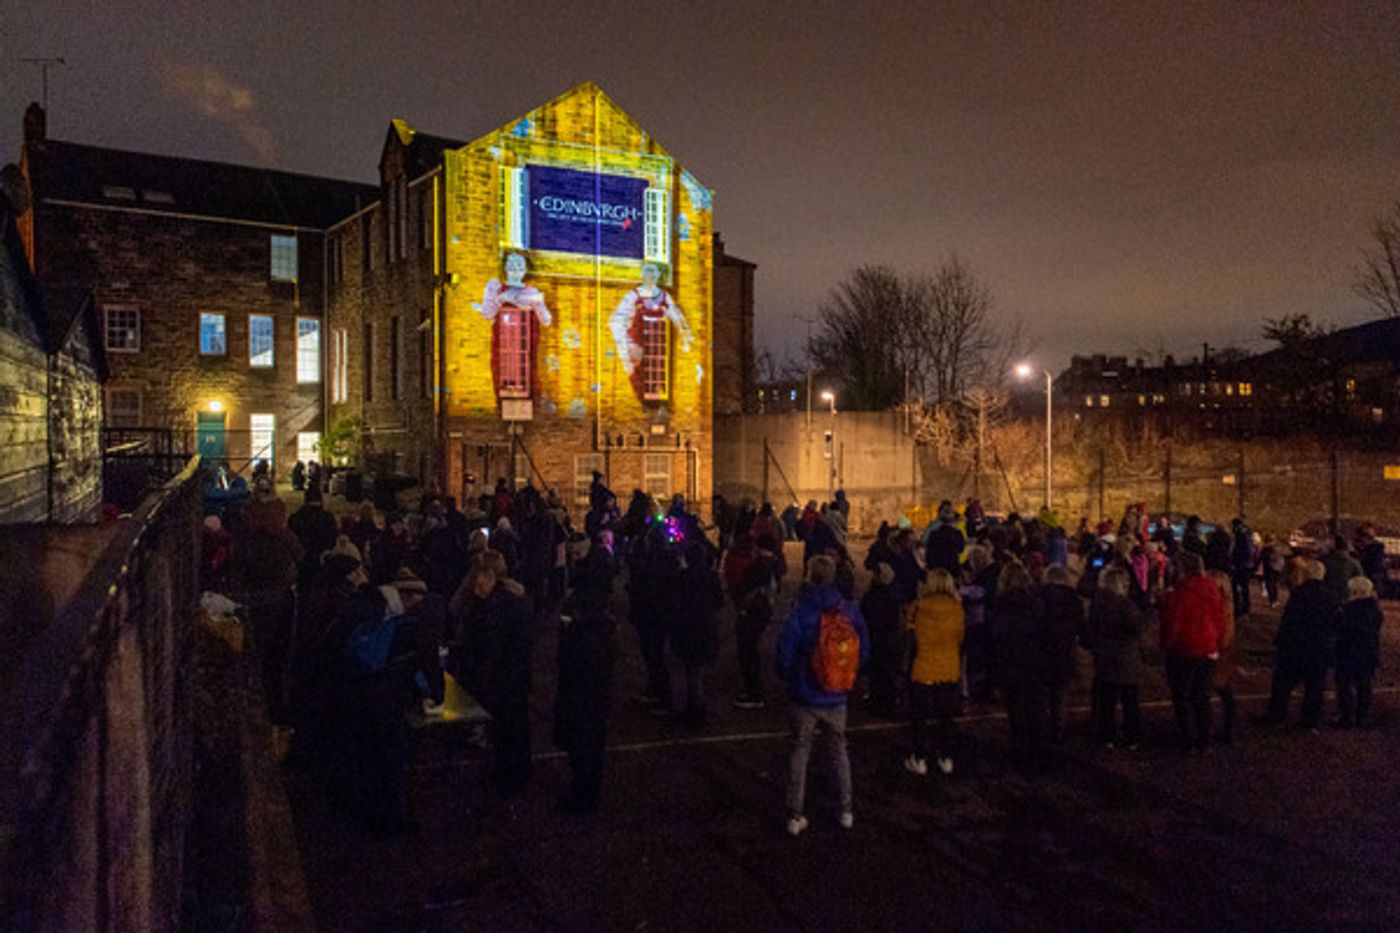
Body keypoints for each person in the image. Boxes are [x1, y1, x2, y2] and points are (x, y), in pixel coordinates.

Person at [775, 555, 869, 836]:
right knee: (839, 750)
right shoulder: (848, 610)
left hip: (805, 693)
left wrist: (791, 676)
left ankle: (795, 814)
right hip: (837, 693)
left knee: (800, 752)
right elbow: (862, 650)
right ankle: (846, 809)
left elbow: (784, 655)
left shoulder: (800, 611)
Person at [457, 562, 535, 794]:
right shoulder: (495, 603)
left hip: (507, 677)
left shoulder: (507, 606)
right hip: (501, 677)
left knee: (512, 728)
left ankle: (514, 774)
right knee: (504, 727)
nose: (477, 591)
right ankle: (506, 770)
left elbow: (513, 645)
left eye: (479, 585)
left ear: (489, 578)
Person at [554, 543, 617, 814]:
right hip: (594, 694)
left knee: (583, 745)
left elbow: (571, 661)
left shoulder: (584, 632)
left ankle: (584, 797)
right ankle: (587, 791)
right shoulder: (604, 628)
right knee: (591, 744)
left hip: (582, 694)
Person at [1159, 552, 1227, 753]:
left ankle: (1188, 739)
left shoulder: (1179, 595)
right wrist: (1216, 642)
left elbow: (1172, 625)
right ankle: (1204, 740)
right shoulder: (1212, 589)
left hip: (1184, 650)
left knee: (1182, 696)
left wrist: (1166, 646)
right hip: (1207, 649)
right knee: (1201, 695)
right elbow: (1220, 619)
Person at [1262, 559, 1339, 729]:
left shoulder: (1300, 592)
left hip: (1296, 645)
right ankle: (1310, 720)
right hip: (1319, 646)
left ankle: (1277, 716)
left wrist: (1281, 641)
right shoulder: (1331, 595)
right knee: (1315, 687)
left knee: (1283, 684)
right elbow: (1335, 622)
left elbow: (1289, 620)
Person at [904, 568, 965, 776]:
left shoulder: (918, 607)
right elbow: (960, 637)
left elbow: (909, 635)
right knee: (946, 716)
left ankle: (919, 758)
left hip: (923, 667)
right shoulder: (957, 609)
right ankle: (945, 758)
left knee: (920, 717)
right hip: (948, 668)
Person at [990, 562, 1049, 773]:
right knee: (1035, 709)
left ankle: (1020, 754)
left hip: (1012, 663)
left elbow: (998, 639)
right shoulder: (1035, 602)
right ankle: (1038, 754)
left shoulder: (1001, 604)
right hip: (1034, 661)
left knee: (1016, 712)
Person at [608, 260, 694, 401]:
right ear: (642, 273)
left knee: (657, 379)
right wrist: (627, 347)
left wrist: (686, 339)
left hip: (658, 348)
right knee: (639, 377)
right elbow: (616, 321)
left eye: (654, 271)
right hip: (638, 346)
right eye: (647, 270)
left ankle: (655, 399)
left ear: (659, 274)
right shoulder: (633, 295)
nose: (651, 274)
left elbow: (678, 318)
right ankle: (644, 400)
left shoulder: (665, 297)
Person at [473, 251, 553, 400]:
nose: (516, 269)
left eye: (520, 265)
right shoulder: (496, 288)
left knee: (527, 376)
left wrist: (538, 304)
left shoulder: (531, 292)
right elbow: (488, 314)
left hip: (525, 344)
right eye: (511, 265)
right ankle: (505, 414)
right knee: (503, 375)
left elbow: (546, 319)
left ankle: (526, 415)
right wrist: (501, 299)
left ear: (526, 269)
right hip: (504, 343)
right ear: (505, 267)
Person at [1084, 566, 1146, 749]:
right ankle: (1131, 737)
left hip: (1105, 658)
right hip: (1126, 659)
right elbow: (1137, 626)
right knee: (1130, 702)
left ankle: (1107, 736)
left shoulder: (1097, 604)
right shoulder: (1125, 605)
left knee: (1107, 701)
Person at [732, 534, 781, 709]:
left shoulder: (759, 566)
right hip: (762, 611)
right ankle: (752, 690)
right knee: (751, 651)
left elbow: (744, 587)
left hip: (753, 613)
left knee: (748, 652)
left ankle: (753, 693)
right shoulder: (775, 564)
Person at [1039, 564, 1083, 743]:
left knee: (1043, 694)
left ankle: (1043, 728)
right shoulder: (1073, 600)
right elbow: (1081, 627)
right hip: (1064, 652)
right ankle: (1058, 730)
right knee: (1060, 695)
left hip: (1042, 651)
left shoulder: (1038, 596)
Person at [1335, 576, 1382, 728]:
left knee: (1344, 685)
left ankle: (1346, 716)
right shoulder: (1375, 610)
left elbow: (1341, 631)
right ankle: (1362, 716)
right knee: (1364, 685)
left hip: (1347, 651)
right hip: (1368, 652)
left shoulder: (1347, 610)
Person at [860, 562, 905, 720]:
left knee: (876, 674)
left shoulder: (870, 596)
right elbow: (896, 622)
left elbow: (863, 616)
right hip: (887, 640)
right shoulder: (892, 598)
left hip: (874, 639)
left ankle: (876, 702)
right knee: (887, 673)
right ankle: (887, 703)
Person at [1206, 570, 1239, 744]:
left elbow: (1225, 633)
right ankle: (1227, 729)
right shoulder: (1223, 603)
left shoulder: (1223, 605)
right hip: (1220, 651)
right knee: (1223, 691)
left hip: (1219, 652)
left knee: (1219, 690)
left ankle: (1226, 730)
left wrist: (1215, 649)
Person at [923, 501, 966, 577]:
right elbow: (961, 549)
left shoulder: (933, 532)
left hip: (937, 567)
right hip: (952, 565)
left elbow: (926, 544)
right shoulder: (956, 533)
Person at [1322, 536, 1363, 602]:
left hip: (1328, 595)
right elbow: (1360, 578)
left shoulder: (1324, 561)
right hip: (1347, 595)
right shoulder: (1353, 562)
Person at [1229, 518, 1256, 617]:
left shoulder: (1242, 536)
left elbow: (1246, 552)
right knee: (1241, 587)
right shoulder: (1244, 535)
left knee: (1240, 586)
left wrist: (1237, 563)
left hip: (1242, 566)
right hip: (1243, 565)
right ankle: (1243, 607)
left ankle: (1243, 608)